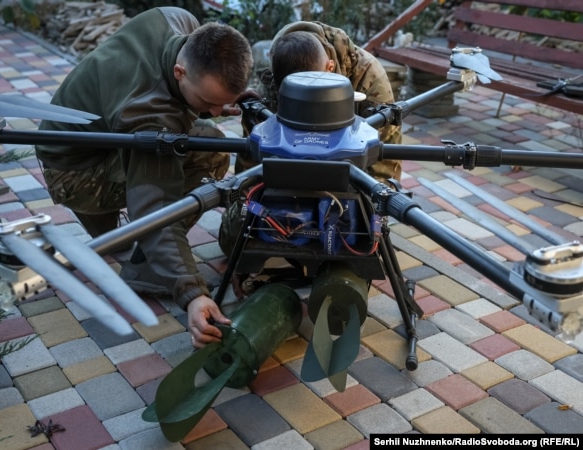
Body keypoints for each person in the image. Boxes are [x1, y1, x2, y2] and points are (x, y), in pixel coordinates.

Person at [34, 7, 254, 349]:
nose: (214, 110)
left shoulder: (177, 21)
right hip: (74, 173)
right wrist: (192, 293)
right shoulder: (149, 113)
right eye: (209, 101)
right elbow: (156, 208)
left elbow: (184, 94)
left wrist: (217, 101)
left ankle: (114, 232)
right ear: (180, 72)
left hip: (94, 139)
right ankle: (145, 264)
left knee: (204, 133)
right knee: (209, 148)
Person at [236, 21, 403, 182]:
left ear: (330, 68)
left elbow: (385, 164)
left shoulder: (369, 77)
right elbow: (250, 161)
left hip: (350, 168)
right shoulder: (272, 80)